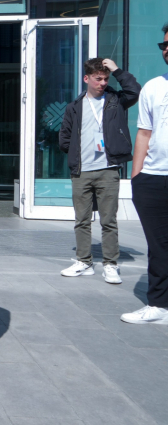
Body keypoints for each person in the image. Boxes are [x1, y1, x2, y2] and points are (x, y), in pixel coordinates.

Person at [58, 58, 141, 283]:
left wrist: (117, 70)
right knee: (82, 220)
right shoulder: (74, 106)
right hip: (81, 171)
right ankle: (84, 262)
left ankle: (110, 264)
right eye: (98, 78)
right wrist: (75, 153)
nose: (103, 83)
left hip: (108, 169)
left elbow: (134, 91)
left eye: (105, 78)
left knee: (109, 221)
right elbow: (65, 137)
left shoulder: (115, 100)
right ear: (87, 78)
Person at [121, 22, 168, 326]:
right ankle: (159, 305)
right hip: (153, 178)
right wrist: (137, 177)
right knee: (159, 246)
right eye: (164, 44)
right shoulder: (153, 86)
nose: (167, 49)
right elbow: (144, 133)